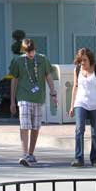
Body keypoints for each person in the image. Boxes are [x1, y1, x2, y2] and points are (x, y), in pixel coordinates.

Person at [9, 38, 57, 166]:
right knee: (25, 125)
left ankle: (31, 153)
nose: (31, 54)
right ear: (23, 51)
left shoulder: (42, 59)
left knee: (35, 126)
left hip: (38, 97)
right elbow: (14, 80)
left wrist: (53, 93)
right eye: (28, 52)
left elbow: (48, 76)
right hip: (23, 97)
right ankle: (24, 154)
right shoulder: (18, 61)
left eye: (32, 51)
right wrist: (12, 101)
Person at [69, 48, 96, 167]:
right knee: (79, 129)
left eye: (85, 60)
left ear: (90, 59)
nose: (83, 63)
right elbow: (75, 87)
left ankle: (95, 158)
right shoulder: (77, 70)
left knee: (95, 132)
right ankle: (79, 158)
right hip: (80, 102)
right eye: (81, 61)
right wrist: (72, 105)